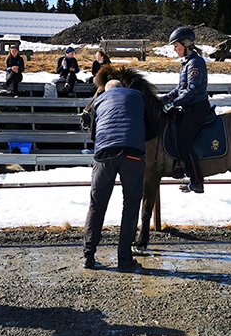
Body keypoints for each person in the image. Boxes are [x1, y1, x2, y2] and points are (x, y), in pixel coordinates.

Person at [83, 79, 146, 273]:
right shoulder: (138, 97)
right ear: (123, 89)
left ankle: (88, 256)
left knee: (97, 204)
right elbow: (149, 128)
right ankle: (124, 259)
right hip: (132, 153)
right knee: (131, 205)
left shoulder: (99, 100)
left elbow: (93, 134)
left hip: (104, 153)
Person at [159, 27, 209, 194]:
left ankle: (196, 181)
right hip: (188, 106)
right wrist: (164, 99)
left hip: (197, 108)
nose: (175, 49)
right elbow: (180, 89)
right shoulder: (187, 63)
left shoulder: (196, 63)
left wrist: (173, 104)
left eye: (176, 46)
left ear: (186, 44)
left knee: (183, 141)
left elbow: (192, 91)